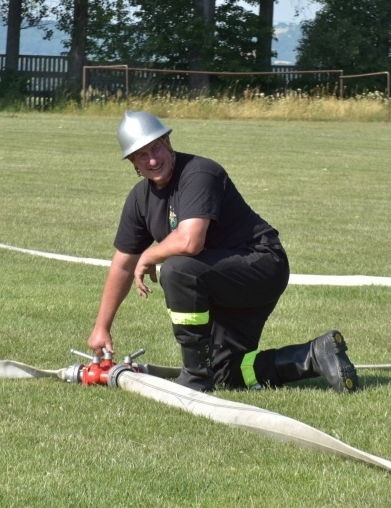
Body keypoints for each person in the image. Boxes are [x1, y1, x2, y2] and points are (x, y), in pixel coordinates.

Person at [87, 110, 359, 393]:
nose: (153, 160)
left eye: (156, 147)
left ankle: (194, 377)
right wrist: (102, 327)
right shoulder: (139, 200)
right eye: (142, 155)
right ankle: (315, 355)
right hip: (222, 283)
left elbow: (190, 241)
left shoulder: (199, 173)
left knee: (177, 268)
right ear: (132, 162)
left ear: (168, 140)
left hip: (261, 265)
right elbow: (121, 265)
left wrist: (149, 255)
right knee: (226, 374)